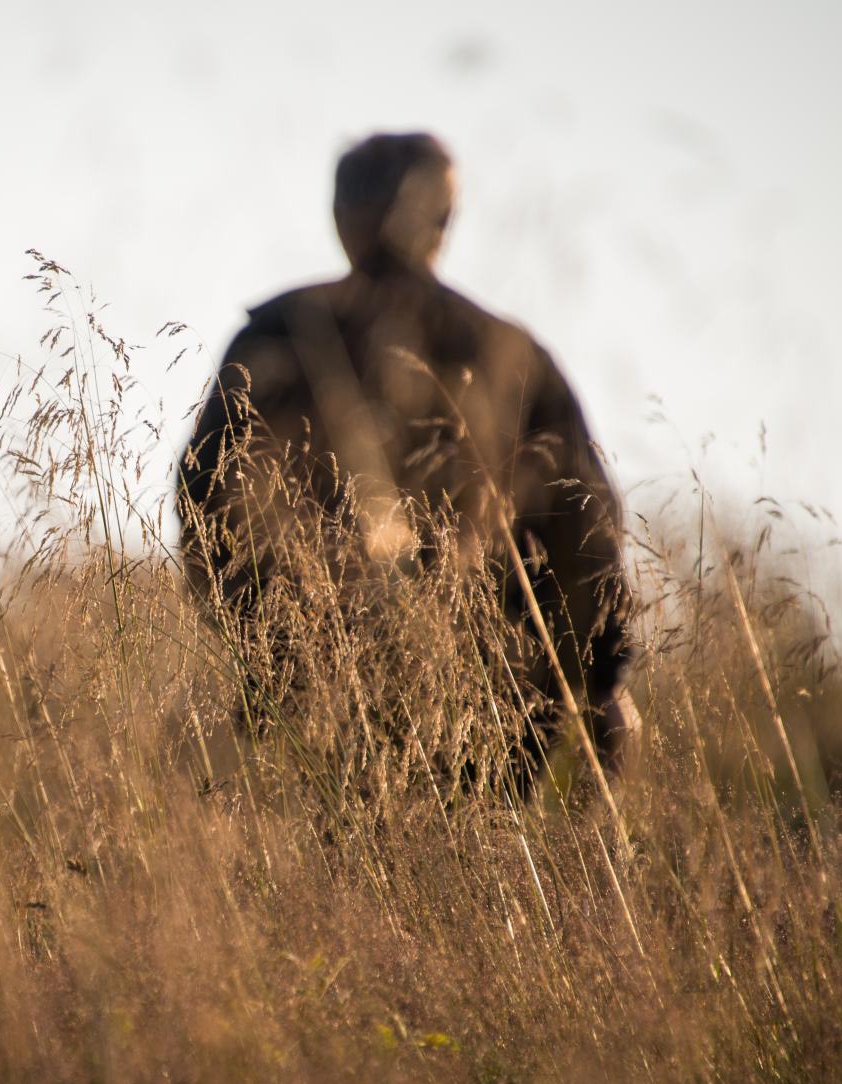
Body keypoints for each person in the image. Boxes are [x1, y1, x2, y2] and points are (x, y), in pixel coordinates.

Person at [176, 131, 636, 776]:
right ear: (445, 216)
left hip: (319, 691)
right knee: (480, 871)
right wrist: (604, 682)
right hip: (491, 694)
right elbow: (583, 523)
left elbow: (206, 498)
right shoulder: (509, 354)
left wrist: (261, 652)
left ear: (340, 217)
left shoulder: (281, 332)